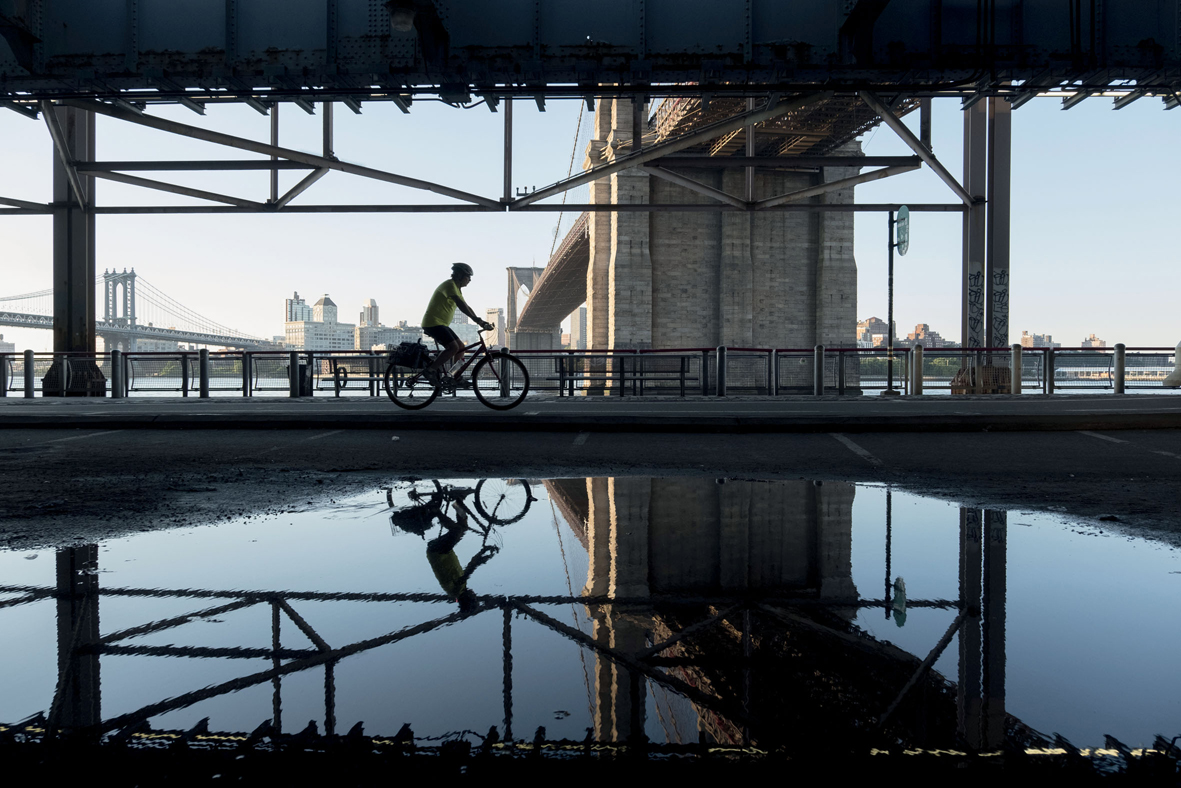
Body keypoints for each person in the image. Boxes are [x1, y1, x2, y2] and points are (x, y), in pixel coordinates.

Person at [421, 262, 494, 387]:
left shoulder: (457, 290)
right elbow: (461, 305)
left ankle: (455, 376)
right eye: (468, 277)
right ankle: (430, 370)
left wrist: (480, 320)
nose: (470, 280)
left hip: (441, 324)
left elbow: (467, 307)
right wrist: (478, 321)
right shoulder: (450, 285)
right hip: (433, 323)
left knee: (460, 347)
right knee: (453, 348)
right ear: (460, 276)